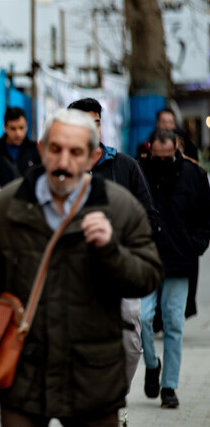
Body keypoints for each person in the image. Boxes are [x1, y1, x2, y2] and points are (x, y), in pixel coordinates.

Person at [0, 109, 163, 426]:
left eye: (76, 152)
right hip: (22, 373)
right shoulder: (6, 207)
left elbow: (148, 277)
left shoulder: (119, 207)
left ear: (92, 157)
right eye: (56, 149)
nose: (64, 161)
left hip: (93, 378)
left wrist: (111, 249)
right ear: (42, 149)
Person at [68, 97, 159, 392]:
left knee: (131, 342)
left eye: (96, 123)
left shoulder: (124, 166)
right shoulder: (61, 169)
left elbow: (149, 214)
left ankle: (115, 396)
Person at [138, 129, 210, 409]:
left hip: (180, 261)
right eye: (159, 156)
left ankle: (169, 386)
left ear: (176, 150)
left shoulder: (194, 175)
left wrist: (196, 245)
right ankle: (152, 364)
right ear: (150, 150)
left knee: (174, 324)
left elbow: (205, 215)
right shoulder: (140, 170)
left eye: (169, 156)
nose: (163, 160)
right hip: (146, 258)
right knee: (142, 318)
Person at [0, 106, 40, 186]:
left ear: (26, 126)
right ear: (5, 128)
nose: (18, 133)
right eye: (13, 129)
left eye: (21, 128)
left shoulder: (36, 151)